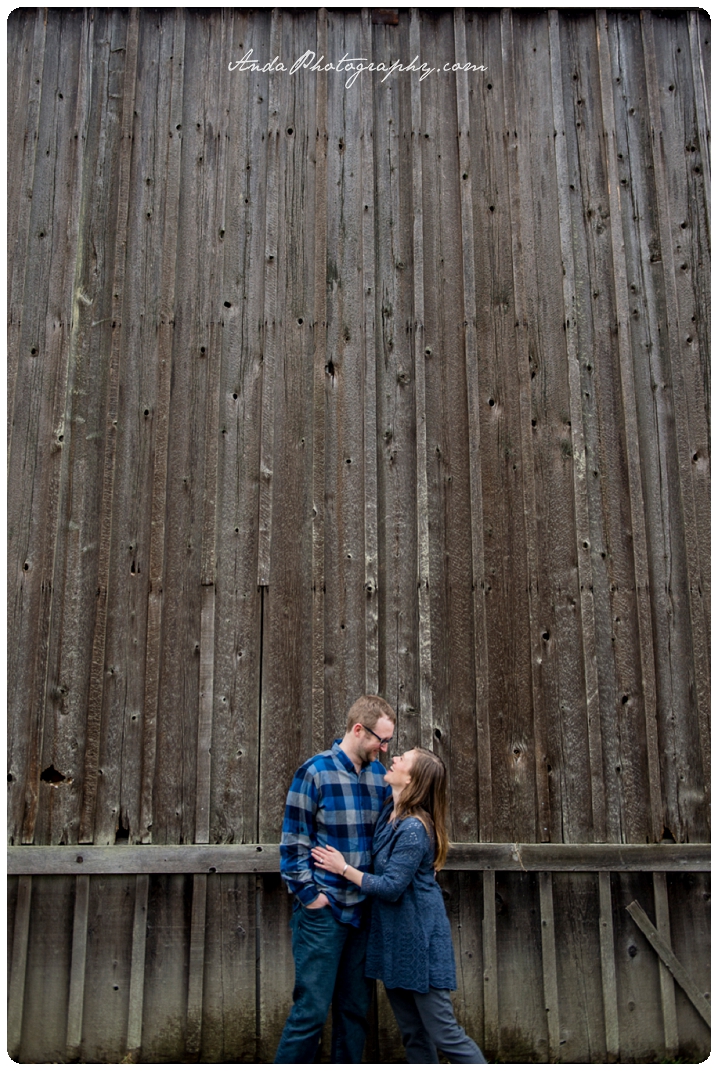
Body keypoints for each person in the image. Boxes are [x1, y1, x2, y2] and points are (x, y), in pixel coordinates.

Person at [313, 746, 487, 1064]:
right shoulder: (390, 816)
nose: (393, 759)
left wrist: (343, 869)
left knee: (445, 1035)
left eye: (402, 760)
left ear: (411, 779)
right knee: (413, 1034)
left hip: (421, 944)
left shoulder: (412, 829)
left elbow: (392, 887)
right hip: (396, 943)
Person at [274, 694, 397, 1064]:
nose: (386, 748)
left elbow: (391, 837)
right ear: (359, 730)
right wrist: (312, 897)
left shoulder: (381, 777)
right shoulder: (315, 772)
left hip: (363, 913)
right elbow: (293, 844)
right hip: (323, 914)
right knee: (310, 1012)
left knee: (355, 1011)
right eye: (381, 739)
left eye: (389, 741)